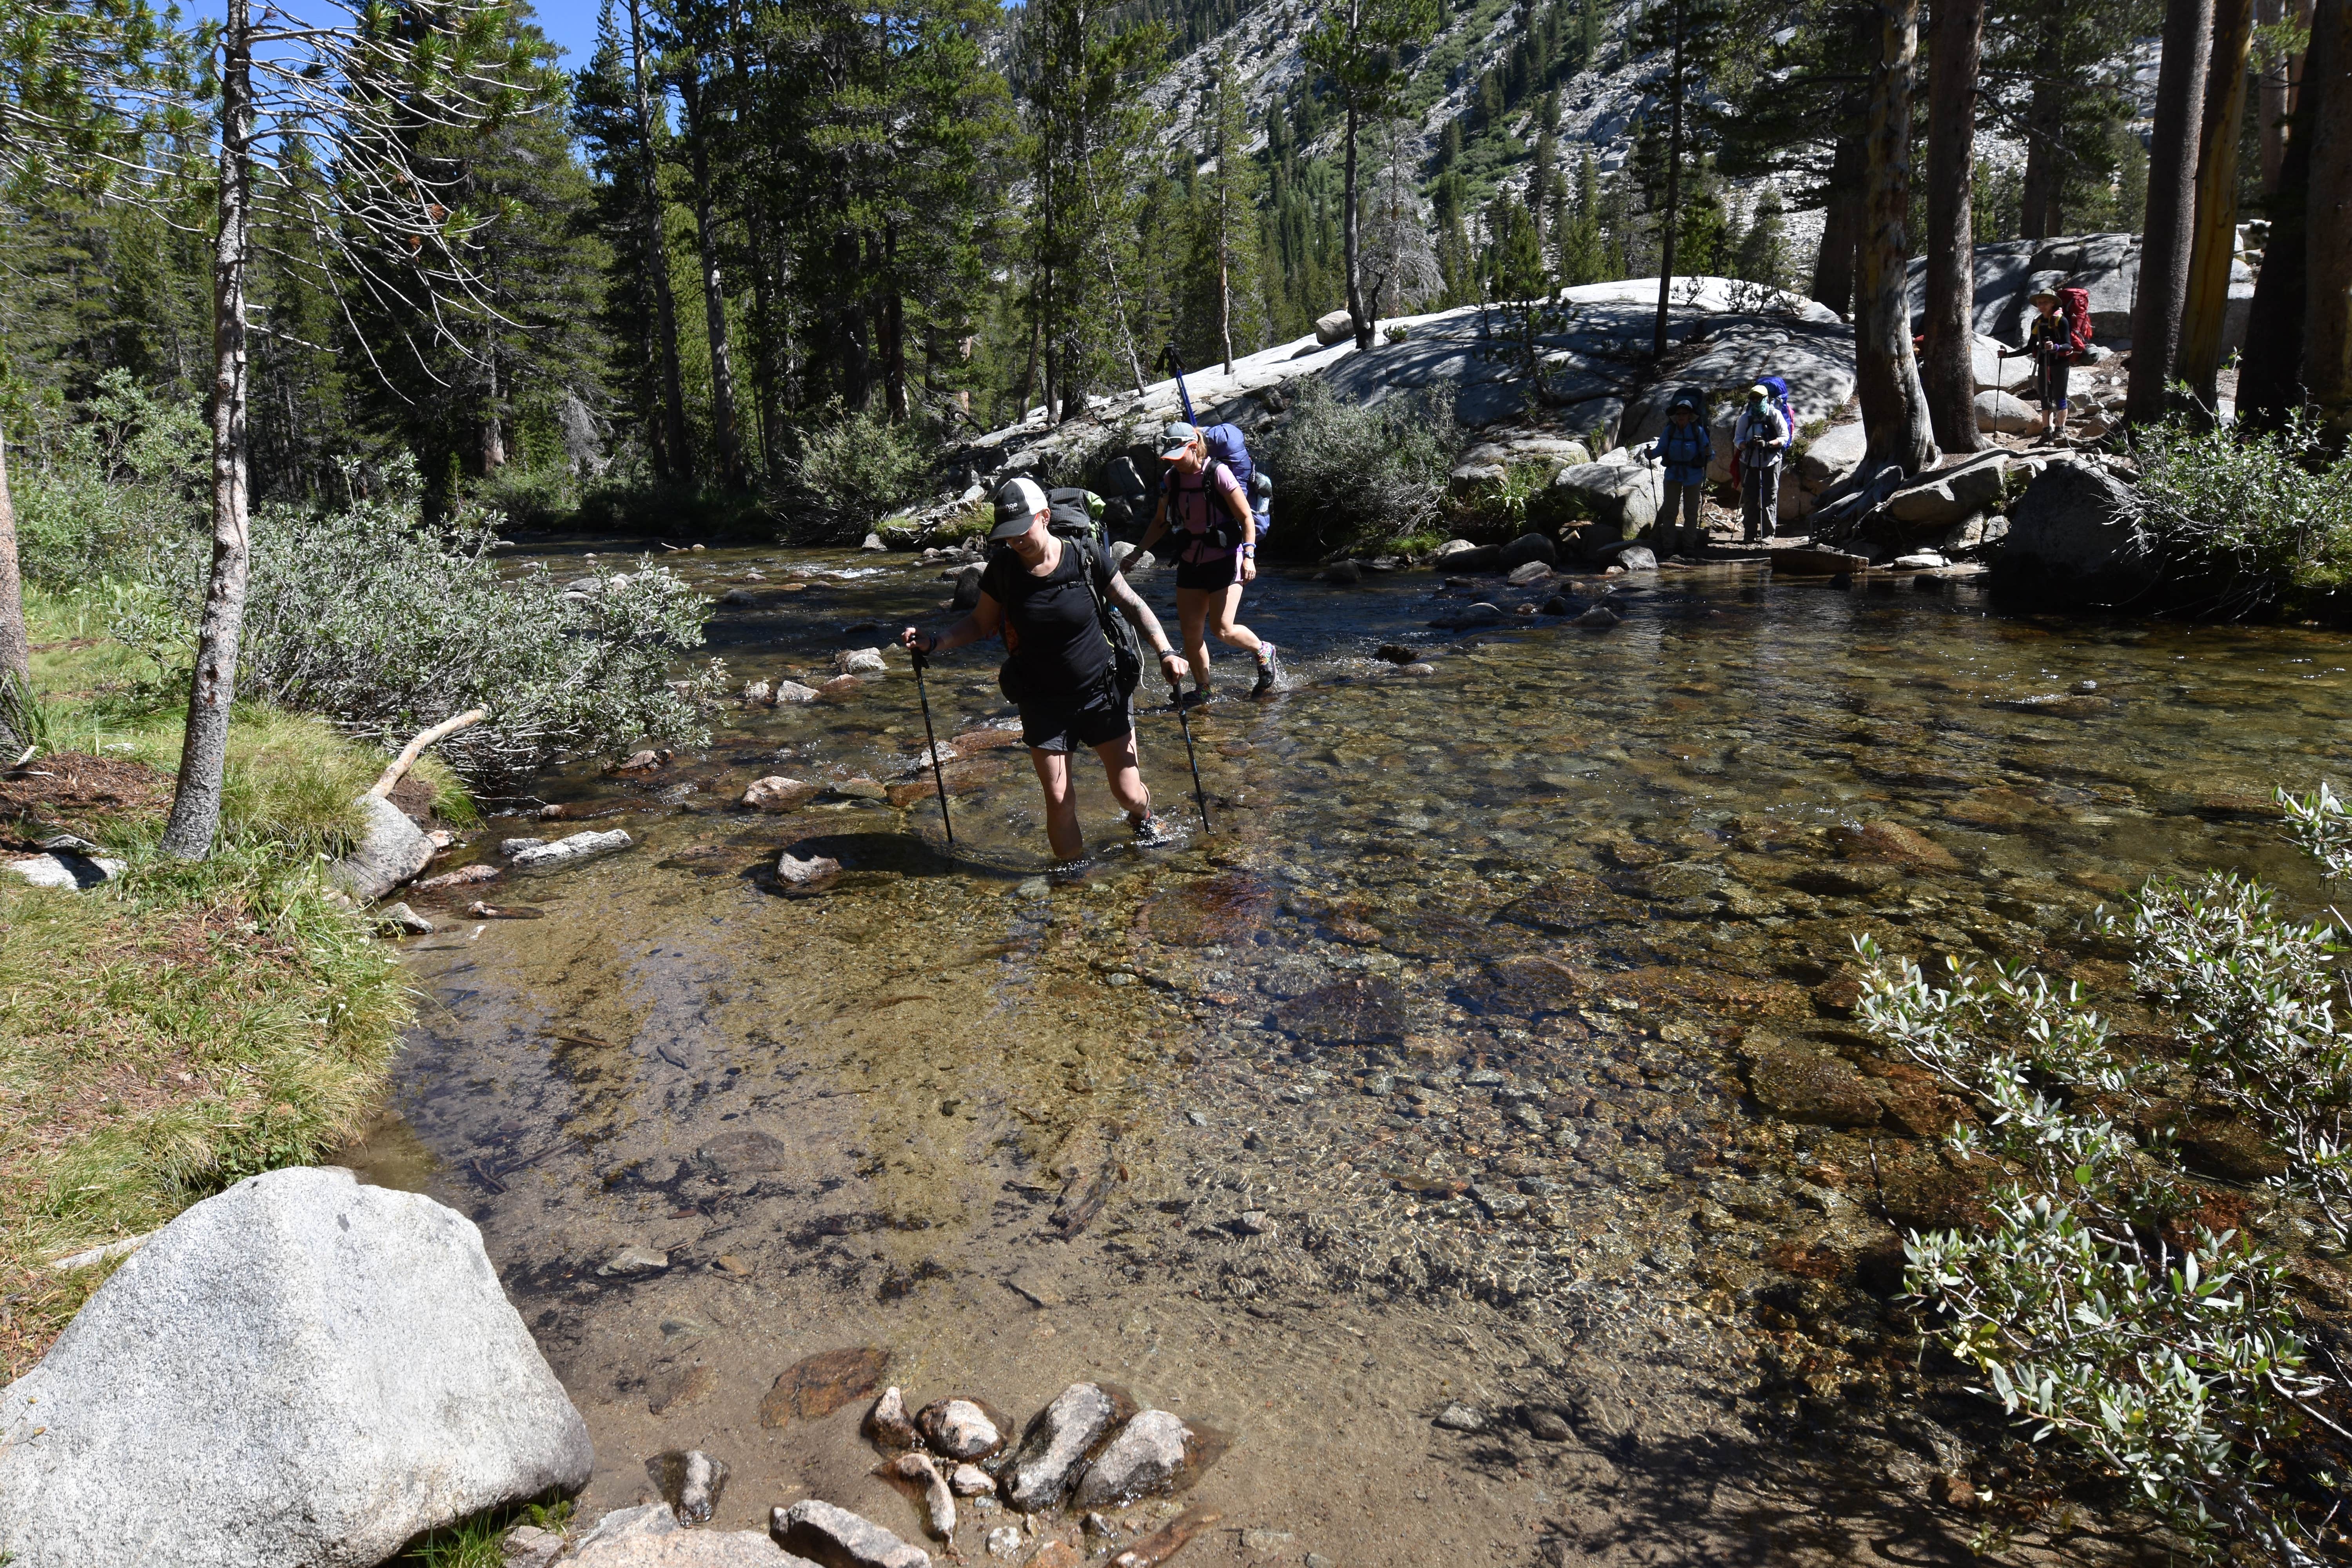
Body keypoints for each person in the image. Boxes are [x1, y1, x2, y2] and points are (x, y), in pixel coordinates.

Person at [900, 477, 1188, 861]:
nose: (1015, 542)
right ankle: (1072, 882)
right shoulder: (1003, 570)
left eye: (1022, 532)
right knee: (1058, 798)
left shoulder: (1085, 556)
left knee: (1128, 793)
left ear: (1045, 517)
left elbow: (1134, 605)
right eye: (1008, 536)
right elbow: (980, 624)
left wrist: (1166, 651)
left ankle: (1144, 815)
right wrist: (934, 642)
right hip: (1042, 701)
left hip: (1102, 691)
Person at [1134, 422, 1281, 703]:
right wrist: (1137, 552)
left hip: (1227, 558)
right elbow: (1160, 522)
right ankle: (1204, 689)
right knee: (1191, 632)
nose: (1174, 463)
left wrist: (1249, 556)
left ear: (1193, 447)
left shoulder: (1219, 474)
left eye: (1179, 456)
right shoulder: (1171, 479)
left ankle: (1263, 649)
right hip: (1191, 559)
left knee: (1222, 629)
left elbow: (1246, 518)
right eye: (1170, 458)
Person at [1999, 290, 2074, 441]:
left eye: (2045, 302)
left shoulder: (2062, 321)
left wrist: (2055, 347)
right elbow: (2029, 348)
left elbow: (2068, 345)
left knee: (2060, 397)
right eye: (2039, 303)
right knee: (2045, 398)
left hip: (2060, 364)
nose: (2041, 306)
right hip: (2044, 364)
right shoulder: (2038, 322)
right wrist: (2007, 355)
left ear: (2053, 303)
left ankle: (2060, 431)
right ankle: (2047, 432)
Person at [1649, 395, 1711, 558]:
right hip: (1673, 474)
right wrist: (1651, 454)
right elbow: (1661, 449)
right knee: (1670, 512)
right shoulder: (1670, 431)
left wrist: (1708, 454)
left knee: (1691, 512)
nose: (1681, 416)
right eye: (1679, 414)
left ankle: (1689, 546)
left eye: (1684, 414)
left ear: (1690, 416)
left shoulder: (1698, 431)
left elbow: (1709, 454)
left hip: (1693, 475)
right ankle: (1668, 547)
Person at [1731, 382, 1790, 544]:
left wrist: (1768, 444)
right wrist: (1747, 444)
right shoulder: (1745, 418)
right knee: (1750, 498)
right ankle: (1749, 534)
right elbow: (1738, 439)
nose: (1756, 401)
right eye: (1753, 398)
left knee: (1769, 498)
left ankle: (1768, 535)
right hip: (1749, 462)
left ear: (1767, 399)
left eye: (1759, 398)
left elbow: (1785, 437)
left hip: (1771, 462)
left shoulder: (1775, 415)